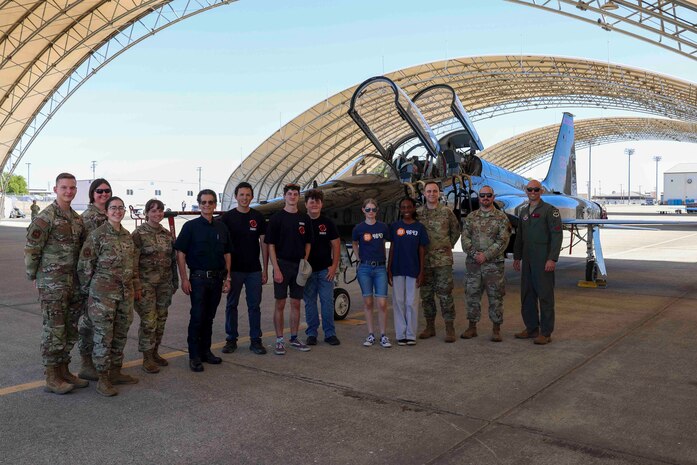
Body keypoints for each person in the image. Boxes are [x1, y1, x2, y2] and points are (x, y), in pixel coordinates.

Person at [25, 173, 87, 394]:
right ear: (55, 189)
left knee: (70, 328)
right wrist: (36, 278)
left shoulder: (77, 219)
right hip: (52, 284)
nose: (68, 191)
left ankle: (64, 370)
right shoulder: (46, 217)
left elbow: (81, 252)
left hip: (73, 284)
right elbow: (32, 249)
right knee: (54, 328)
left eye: (72, 188)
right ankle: (52, 376)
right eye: (64, 188)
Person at [78, 196, 138, 397]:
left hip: (124, 294)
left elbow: (133, 266)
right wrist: (90, 292)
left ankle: (115, 371)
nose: (117, 211)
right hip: (102, 296)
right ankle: (103, 379)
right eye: (113, 208)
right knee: (103, 336)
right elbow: (85, 266)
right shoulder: (97, 235)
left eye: (121, 208)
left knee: (120, 333)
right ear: (106, 211)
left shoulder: (127, 236)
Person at [175, 189, 232, 372]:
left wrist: (227, 278)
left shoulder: (222, 227)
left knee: (209, 317)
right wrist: (184, 278)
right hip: (198, 279)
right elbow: (180, 253)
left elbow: (227, 253)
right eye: (203, 202)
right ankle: (194, 356)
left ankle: (206, 352)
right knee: (197, 317)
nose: (207, 205)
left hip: (216, 279)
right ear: (199, 205)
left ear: (215, 205)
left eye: (210, 202)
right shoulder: (190, 227)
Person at [219, 182, 269, 355]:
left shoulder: (258, 217)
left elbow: (264, 244)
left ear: (252, 197)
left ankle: (256, 341)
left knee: (254, 306)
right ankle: (231, 340)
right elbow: (222, 246)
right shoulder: (227, 218)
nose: (245, 198)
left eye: (248, 195)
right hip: (234, 270)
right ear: (236, 196)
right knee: (231, 305)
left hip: (254, 270)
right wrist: (225, 273)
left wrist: (265, 269)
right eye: (241, 195)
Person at [513, 179, 563, 345]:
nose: (532, 192)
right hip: (527, 260)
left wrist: (552, 258)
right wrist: (517, 257)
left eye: (536, 190)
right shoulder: (524, 212)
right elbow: (519, 237)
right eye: (530, 190)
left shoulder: (550, 211)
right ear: (526, 191)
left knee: (545, 296)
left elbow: (557, 235)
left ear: (541, 191)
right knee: (527, 295)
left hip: (543, 260)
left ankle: (546, 332)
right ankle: (532, 328)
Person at [265, 183, 312, 355]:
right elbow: (271, 245)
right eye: (290, 194)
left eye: (295, 194)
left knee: (296, 303)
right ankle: (279, 340)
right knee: (280, 303)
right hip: (282, 264)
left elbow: (308, 243)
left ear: (298, 197)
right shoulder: (277, 218)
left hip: (298, 265)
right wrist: (276, 268)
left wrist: (304, 262)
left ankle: (293, 338)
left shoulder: (304, 219)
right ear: (284, 196)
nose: (292, 196)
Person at [132, 199, 178, 373]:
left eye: (160, 211)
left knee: (161, 320)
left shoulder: (167, 234)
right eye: (153, 211)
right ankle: (147, 357)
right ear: (146, 213)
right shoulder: (138, 234)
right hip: (146, 285)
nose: (157, 214)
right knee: (149, 322)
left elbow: (172, 260)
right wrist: (136, 285)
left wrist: (175, 280)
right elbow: (133, 262)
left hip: (164, 285)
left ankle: (155, 352)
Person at [460, 186, 512, 342]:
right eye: (482, 195)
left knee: (496, 297)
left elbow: (503, 241)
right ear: (479, 197)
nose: (485, 198)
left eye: (488, 195)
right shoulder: (471, 217)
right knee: (472, 296)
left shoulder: (501, 218)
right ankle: (472, 327)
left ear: (493, 197)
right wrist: (476, 255)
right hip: (474, 265)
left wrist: (486, 255)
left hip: (494, 266)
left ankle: (496, 329)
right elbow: (465, 239)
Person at [417, 181, 461, 342]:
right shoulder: (419, 213)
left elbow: (455, 230)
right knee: (426, 295)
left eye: (434, 191)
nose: (431, 194)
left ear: (439, 193)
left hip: (443, 261)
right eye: (428, 191)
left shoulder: (446, 212)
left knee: (445, 295)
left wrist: (447, 246)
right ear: (424, 194)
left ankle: (450, 328)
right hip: (424, 261)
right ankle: (430, 327)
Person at [77, 178, 112, 381]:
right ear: (92, 194)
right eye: (99, 191)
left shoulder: (110, 214)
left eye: (107, 191)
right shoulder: (87, 218)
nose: (103, 194)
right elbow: (80, 252)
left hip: (108, 282)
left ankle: (103, 363)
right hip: (92, 281)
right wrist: (85, 282)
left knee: (103, 326)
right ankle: (86, 364)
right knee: (88, 324)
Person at [387, 197, 429, 346]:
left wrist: (421, 271)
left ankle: (411, 334)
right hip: (397, 268)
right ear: (400, 210)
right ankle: (401, 334)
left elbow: (421, 249)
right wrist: (389, 269)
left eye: (408, 207)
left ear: (413, 208)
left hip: (413, 269)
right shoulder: (395, 226)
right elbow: (391, 248)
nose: (406, 210)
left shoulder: (419, 228)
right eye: (403, 208)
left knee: (411, 302)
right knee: (398, 302)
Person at [303, 189, 341, 346]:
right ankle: (311, 333)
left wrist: (333, 267)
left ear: (321, 204)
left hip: (325, 270)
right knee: (310, 302)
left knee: (327, 302)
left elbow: (336, 245)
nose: (314, 204)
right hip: (307, 271)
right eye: (311, 201)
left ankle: (330, 333)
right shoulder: (301, 222)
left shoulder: (327, 223)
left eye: (317, 201)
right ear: (306, 204)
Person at [352, 198, 392, 348]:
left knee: (382, 303)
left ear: (377, 211)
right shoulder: (358, 228)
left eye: (373, 209)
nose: (370, 212)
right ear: (363, 210)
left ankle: (383, 335)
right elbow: (355, 243)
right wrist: (358, 258)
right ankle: (370, 334)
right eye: (367, 209)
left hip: (380, 268)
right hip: (365, 268)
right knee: (368, 302)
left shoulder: (383, 227)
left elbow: (386, 242)